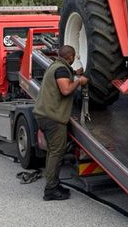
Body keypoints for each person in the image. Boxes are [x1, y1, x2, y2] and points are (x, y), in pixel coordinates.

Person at [33, 45, 88, 201]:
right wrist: (79, 81)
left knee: (52, 152)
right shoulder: (61, 70)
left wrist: (75, 73)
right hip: (53, 118)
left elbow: (65, 74)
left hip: (44, 116)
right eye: (74, 58)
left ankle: (54, 184)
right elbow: (65, 90)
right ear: (70, 57)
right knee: (57, 153)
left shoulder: (56, 66)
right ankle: (50, 190)